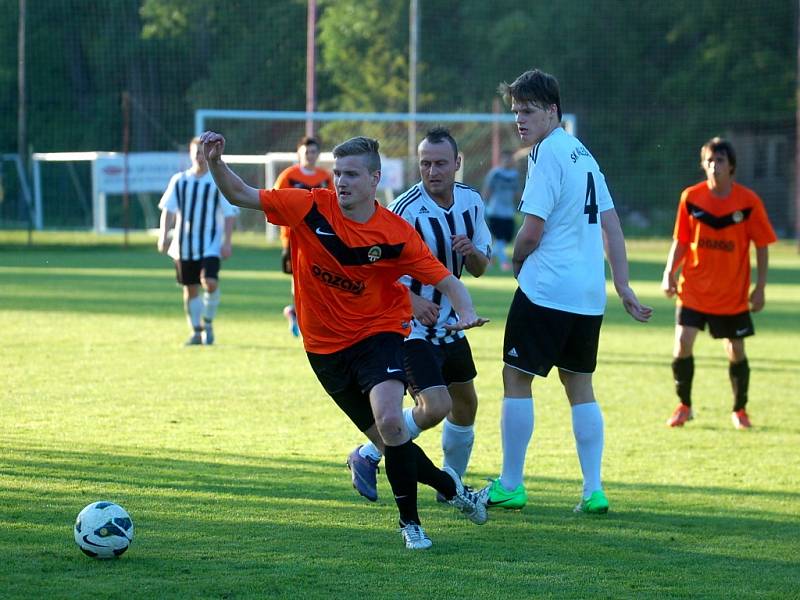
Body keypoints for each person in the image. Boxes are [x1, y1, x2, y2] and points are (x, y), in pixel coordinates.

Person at [199, 130, 489, 550]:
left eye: (352, 174)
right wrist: (215, 162)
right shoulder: (308, 206)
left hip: (379, 334)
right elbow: (241, 194)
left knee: (392, 422)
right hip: (324, 350)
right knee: (389, 442)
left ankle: (411, 525)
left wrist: (463, 310)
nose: (342, 182)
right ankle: (455, 490)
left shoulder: (394, 232)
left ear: (375, 179)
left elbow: (444, 278)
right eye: (338, 173)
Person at [478, 68, 652, 515]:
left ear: (552, 111)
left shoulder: (547, 153)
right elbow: (610, 223)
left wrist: (517, 261)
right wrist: (622, 283)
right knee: (580, 386)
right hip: (587, 295)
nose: (520, 119)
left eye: (529, 111)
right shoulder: (582, 152)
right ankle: (593, 490)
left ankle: (511, 484)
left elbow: (532, 230)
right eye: (516, 111)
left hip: (546, 289)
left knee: (516, 378)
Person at [346, 127, 492, 503]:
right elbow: (377, 268)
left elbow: (480, 267)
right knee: (436, 407)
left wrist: (470, 251)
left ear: (457, 163)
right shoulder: (405, 209)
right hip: (408, 326)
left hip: (451, 326)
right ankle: (368, 453)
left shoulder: (471, 202)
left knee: (466, 405)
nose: (432, 171)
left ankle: (452, 486)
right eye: (425, 163)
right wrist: (412, 302)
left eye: (441, 163)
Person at [662, 137, 777, 430]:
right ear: (704, 165)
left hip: (731, 294)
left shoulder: (748, 202)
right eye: (710, 161)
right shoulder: (691, 197)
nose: (714, 166)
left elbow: (762, 245)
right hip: (694, 290)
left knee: (735, 349)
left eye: (720, 161)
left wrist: (760, 286)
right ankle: (684, 405)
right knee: (682, 342)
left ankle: (740, 410)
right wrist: (669, 273)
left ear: (731, 166)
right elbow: (682, 240)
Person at [157, 137, 239, 346]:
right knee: (190, 288)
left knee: (209, 282)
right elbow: (169, 210)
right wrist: (163, 235)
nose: (199, 157)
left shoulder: (216, 182)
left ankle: (208, 323)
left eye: (202, 153)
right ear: (191, 155)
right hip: (183, 245)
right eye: (196, 153)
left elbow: (229, 214)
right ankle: (196, 331)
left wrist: (227, 242)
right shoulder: (179, 180)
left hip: (210, 244)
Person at [274, 136, 335, 337]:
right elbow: (275, 201)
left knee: (319, 276)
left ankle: (303, 313)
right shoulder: (288, 176)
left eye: (314, 152)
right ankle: (299, 312)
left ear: (318, 154)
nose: (310, 155)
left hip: (320, 237)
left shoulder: (326, 178)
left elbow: (333, 205)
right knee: (298, 277)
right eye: (307, 151)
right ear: (299, 153)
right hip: (293, 237)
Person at [482, 150, 520, 271]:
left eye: (510, 158)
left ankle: (488, 259)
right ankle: (504, 263)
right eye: (505, 158)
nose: (508, 161)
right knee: (499, 239)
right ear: (501, 160)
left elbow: (517, 192)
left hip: (509, 212)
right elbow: (487, 190)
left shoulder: (515, 175)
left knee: (504, 239)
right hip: (496, 211)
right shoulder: (495, 174)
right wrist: (483, 206)